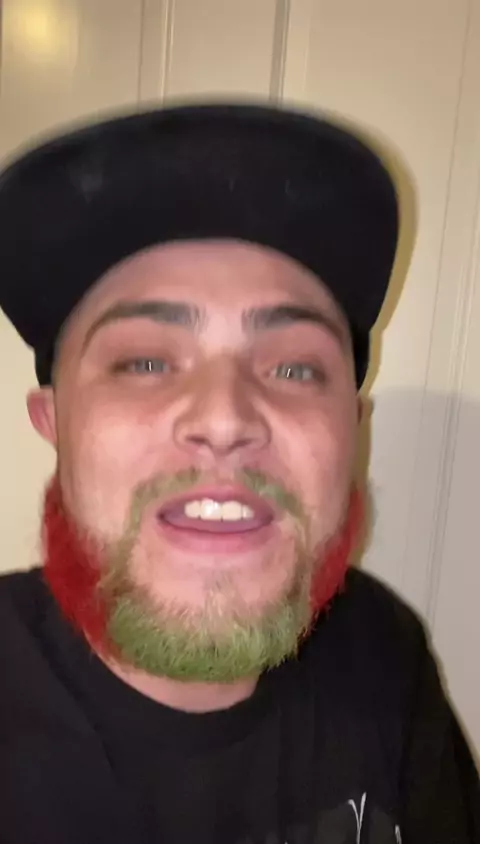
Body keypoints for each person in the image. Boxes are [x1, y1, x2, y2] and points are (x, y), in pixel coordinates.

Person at [0, 102, 478, 844]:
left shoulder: (384, 652)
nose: (224, 419)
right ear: (53, 421)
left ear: (352, 429)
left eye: (294, 368)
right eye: (145, 363)